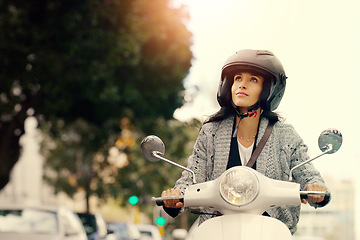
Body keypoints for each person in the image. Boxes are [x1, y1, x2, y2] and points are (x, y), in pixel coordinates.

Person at [161, 49, 330, 234]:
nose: (242, 85)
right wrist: (176, 197)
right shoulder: (211, 133)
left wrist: (315, 187)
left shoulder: (285, 135)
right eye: (238, 78)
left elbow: (307, 174)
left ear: (269, 90)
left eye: (253, 80)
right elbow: (192, 176)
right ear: (228, 85)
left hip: (269, 230)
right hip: (218, 228)